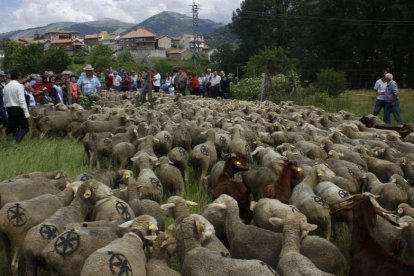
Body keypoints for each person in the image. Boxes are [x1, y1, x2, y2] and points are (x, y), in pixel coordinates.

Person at [2, 70, 30, 143]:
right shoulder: (19, 86)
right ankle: (15, 142)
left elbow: (4, 100)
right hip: (17, 108)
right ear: (19, 77)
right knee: (25, 127)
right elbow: (22, 100)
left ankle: (13, 141)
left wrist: (6, 110)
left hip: (9, 108)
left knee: (14, 127)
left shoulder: (6, 87)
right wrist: (26, 113)